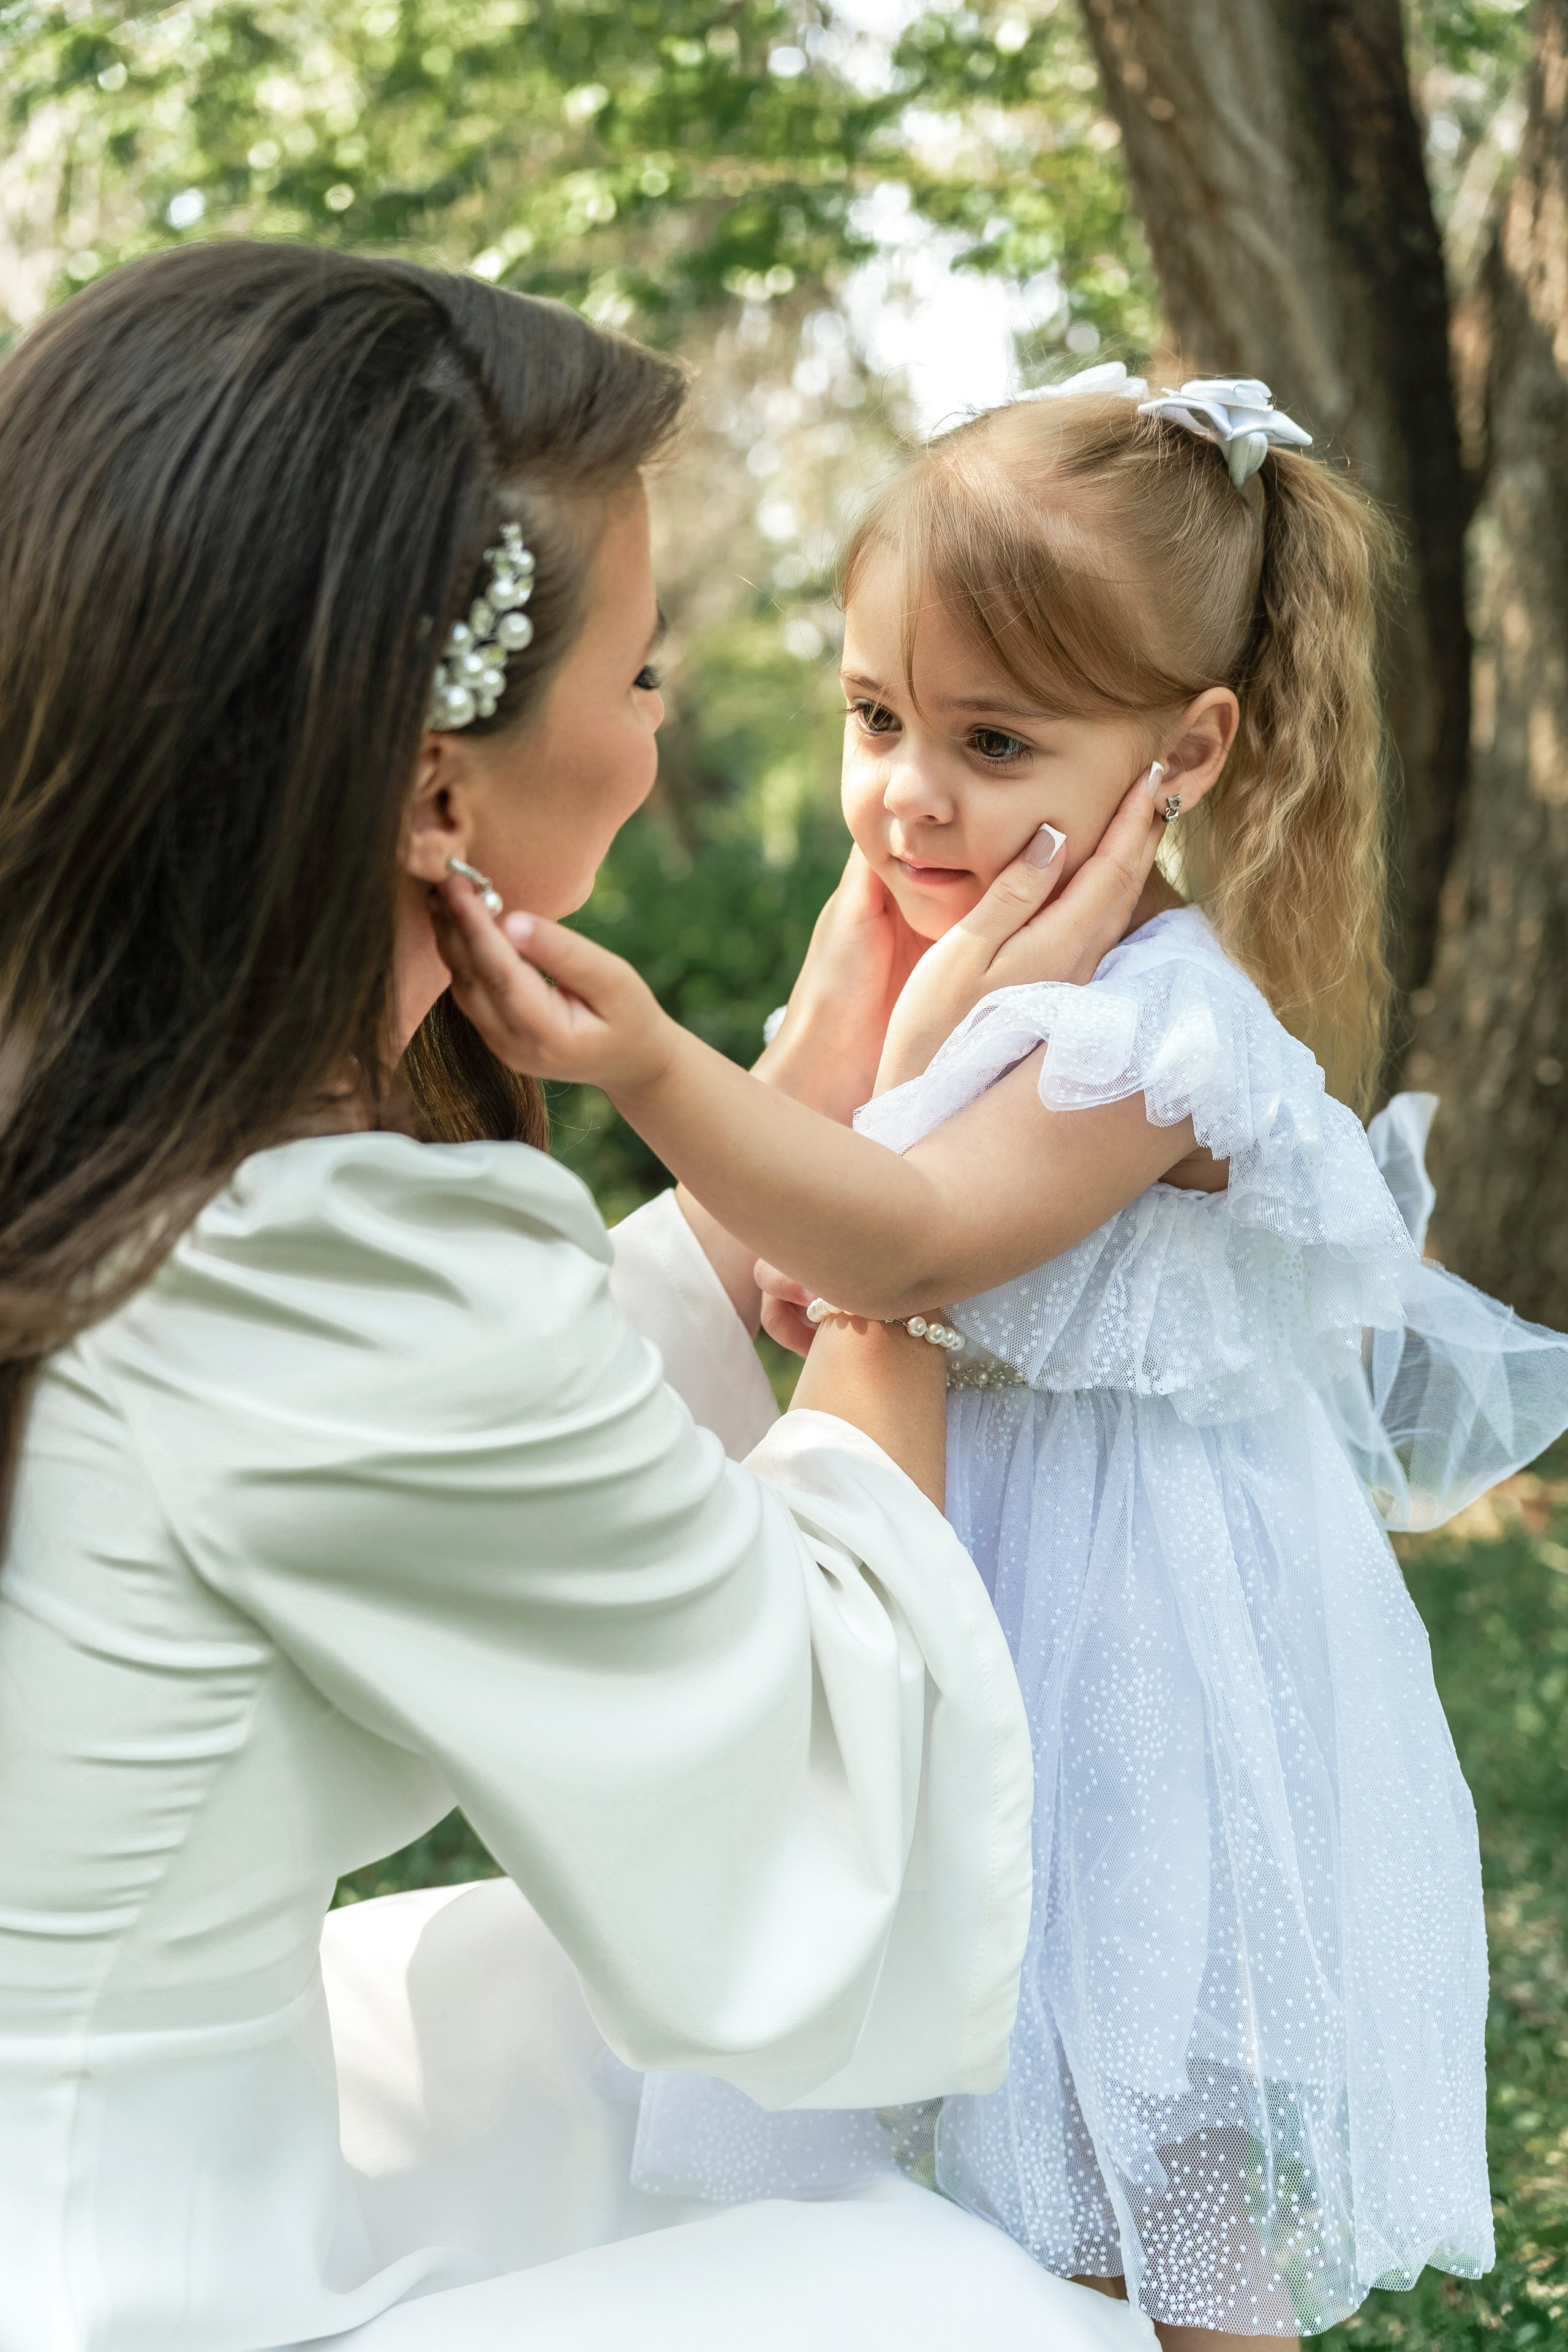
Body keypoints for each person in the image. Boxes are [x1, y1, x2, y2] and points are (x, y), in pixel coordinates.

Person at [0, 247, 1172, 2352]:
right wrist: (911, 1207)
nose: (662, 732)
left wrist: (791, 1110)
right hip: (130, 2297)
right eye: (642, 679)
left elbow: (483, 1437)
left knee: (561, 2034)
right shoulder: (293, 1246)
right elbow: (818, 1802)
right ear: (439, 786)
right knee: (968, 2319)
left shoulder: (133, 1157)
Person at [445, 367, 1568, 2348]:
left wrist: (646, 1061)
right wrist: (872, 1014)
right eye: (878, 720)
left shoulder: (1157, 1029)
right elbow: (825, 1215)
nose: (910, 796)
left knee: (1160, 2164)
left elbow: (915, 1232)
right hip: (973, 1583)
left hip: (1136, 1649)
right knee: (959, 2143)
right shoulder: (958, 967)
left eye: (995, 740)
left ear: (1188, 752)